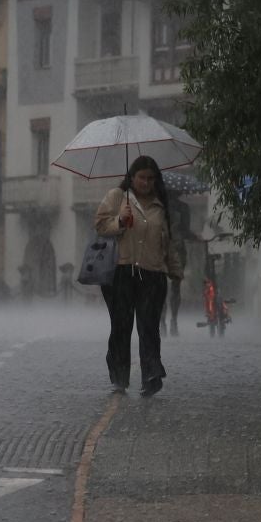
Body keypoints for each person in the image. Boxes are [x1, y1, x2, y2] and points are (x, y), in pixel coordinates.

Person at [95, 155, 183, 397]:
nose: (146, 182)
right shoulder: (116, 197)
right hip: (121, 271)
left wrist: (175, 269)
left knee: (149, 326)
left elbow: (168, 242)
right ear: (132, 178)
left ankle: (151, 375)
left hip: (153, 274)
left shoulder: (160, 205)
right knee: (121, 326)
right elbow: (100, 225)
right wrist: (119, 221)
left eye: (151, 178)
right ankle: (119, 377)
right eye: (142, 177)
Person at [160, 191, 194, 336]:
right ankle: (173, 320)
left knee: (160, 288)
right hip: (177, 249)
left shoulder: (156, 207)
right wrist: (195, 237)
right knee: (175, 287)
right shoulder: (183, 207)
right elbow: (186, 231)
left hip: (160, 249)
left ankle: (162, 323)